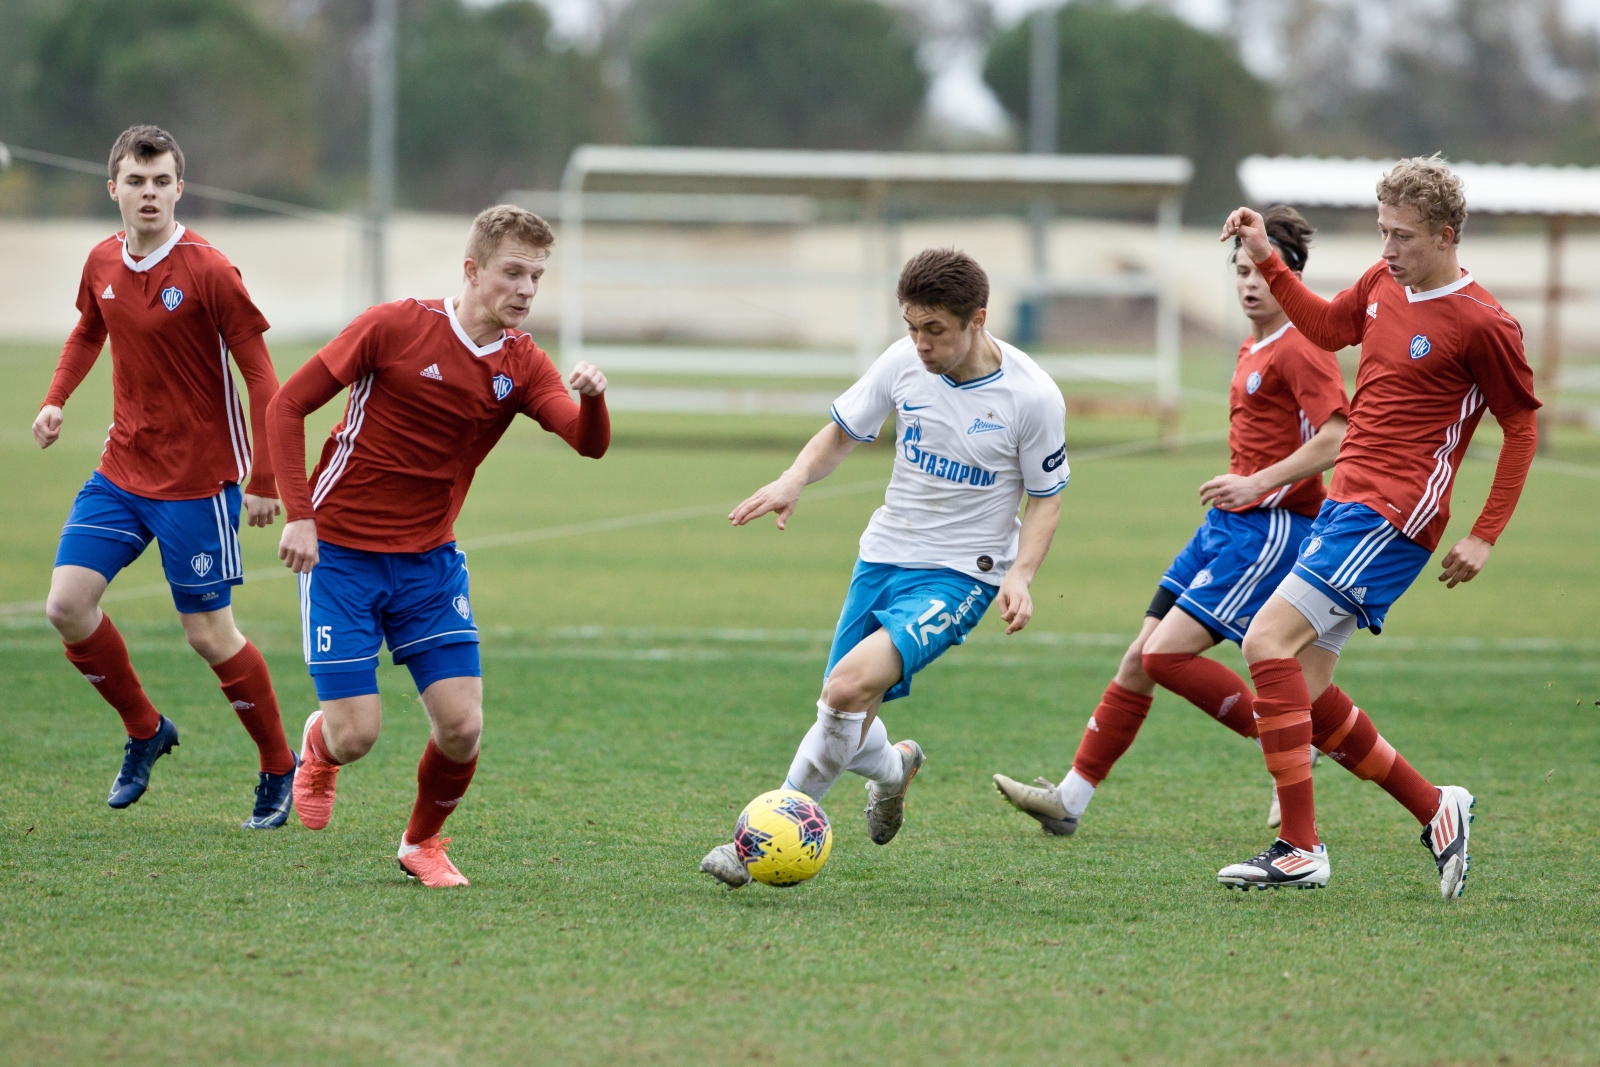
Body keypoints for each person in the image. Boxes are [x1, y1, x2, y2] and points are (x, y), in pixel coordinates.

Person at [1217, 155, 1540, 896]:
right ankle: (1436, 807)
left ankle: (1299, 846)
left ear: (1446, 235)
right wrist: (1266, 255)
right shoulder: (1379, 282)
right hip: (1345, 504)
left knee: (1264, 640)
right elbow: (1326, 327)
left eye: (1403, 236)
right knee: (1305, 689)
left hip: (1394, 516)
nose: (1388, 248)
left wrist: (1485, 532)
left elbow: (1521, 429)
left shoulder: (1484, 323)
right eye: (1382, 231)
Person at [700, 248, 1068, 888]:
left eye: (936, 330)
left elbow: (1046, 498)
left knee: (845, 690)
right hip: (882, 556)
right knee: (845, 713)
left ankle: (755, 842)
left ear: (978, 320)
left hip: (961, 574)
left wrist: (1021, 575)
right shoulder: (903, 363)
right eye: (912, 327)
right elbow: (841, 433)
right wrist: (794, 477)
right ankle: (896, 770)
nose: (921, 344)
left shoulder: (1031, 397)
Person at [268, 205, 609, 888]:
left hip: (429, 563)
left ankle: (421, 843)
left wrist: (594, 399)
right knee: (356, 735)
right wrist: (299, 516)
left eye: (537, 277)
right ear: (472, 270)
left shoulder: (522, 362)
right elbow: (287, 406)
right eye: (513, 273)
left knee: (462, 727)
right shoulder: (392, 326)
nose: (526, 289)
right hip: (341, 555)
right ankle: (319, 749)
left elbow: (587, 442)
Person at [993, 206, 1349, 837]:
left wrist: (1258, 483)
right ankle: (1070, 799)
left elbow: (1336, 437)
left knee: (1163, 657)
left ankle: (1292, 733)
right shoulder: (1253, 343)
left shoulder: (1301, 344)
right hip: (1228, 525)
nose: (1248, 283)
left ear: (1288, 276)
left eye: (1261, 271)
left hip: (1269, 529)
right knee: (1139, 658)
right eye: (1240, 271)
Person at [33, 124, 297, 827]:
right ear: (113, 188)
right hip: (122, 470)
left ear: (180, 188)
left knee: (209, 634)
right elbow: (89, 329)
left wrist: (265, 479)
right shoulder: (101, 260)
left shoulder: (210, 271)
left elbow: (263, 379)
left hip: (198, 484)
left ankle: (279, 764)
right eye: (135, 181)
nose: (148, 193)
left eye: (160, 182)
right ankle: (146, 729)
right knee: (66, 606)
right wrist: (57, 399)